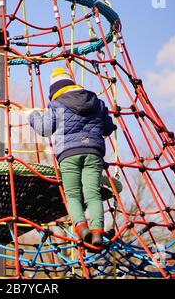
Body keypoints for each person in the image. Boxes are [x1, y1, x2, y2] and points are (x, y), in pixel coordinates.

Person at [28, 68, 116, 247]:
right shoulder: (97, 102)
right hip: (93, 152)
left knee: (73, 195)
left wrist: (33, 116)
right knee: (93, 193)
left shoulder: (57, 104)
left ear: (54, 91)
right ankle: (97, 230)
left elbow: (44, 129)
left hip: (68, 154)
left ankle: (82, 227)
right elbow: (107, 128)